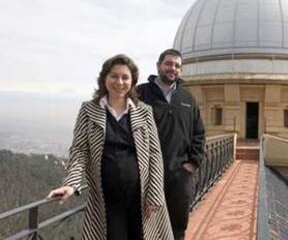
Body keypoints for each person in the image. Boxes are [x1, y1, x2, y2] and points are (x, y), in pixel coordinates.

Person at [47, 54, 173, 240]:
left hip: (142, 197)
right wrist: (71, 184)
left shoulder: (144, 111)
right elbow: (79, 150)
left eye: (125, 77)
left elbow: (155, 154)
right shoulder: (89, 110)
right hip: (107, 199)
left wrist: (155, 194)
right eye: (114, 76)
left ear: (132, 81)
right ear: (104, 78)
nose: (119, 82)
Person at [138, 48, 206, 240]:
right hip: (146, 176)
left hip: (178, 177)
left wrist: (192, 163)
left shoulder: (187, 99)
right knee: (145, 226)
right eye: (168, 64)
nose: (172, 68)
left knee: (177, 226)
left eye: (177, 66)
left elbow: (199, 133)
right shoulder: (140, 94)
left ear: (181, 71)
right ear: (158, 66)